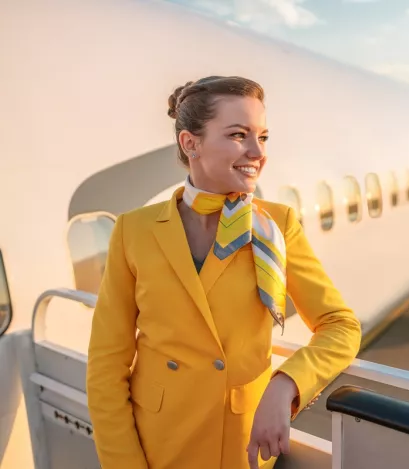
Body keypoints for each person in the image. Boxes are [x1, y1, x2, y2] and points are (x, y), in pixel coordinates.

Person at [86, 76, 362, 469]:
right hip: (156, 445)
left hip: (242, 445)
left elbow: (340, 325)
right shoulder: (134, 230)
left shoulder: (277, 226)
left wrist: (285, 385)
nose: (257, 152)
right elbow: (106, 365)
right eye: (238, 135)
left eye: (263, 137)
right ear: (190, 143)